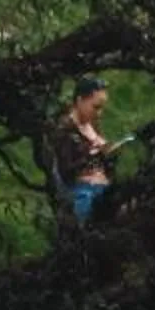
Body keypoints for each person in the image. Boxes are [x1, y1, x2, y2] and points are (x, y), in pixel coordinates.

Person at [52, 77, 121, 224]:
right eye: (95, 107)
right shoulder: (65, 131)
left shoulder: (93, 126)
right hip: (82, 192)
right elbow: (66, 171)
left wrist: (108, 153)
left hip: (103, 186)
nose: (99, 113)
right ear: (80, 101)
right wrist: (92, 154)